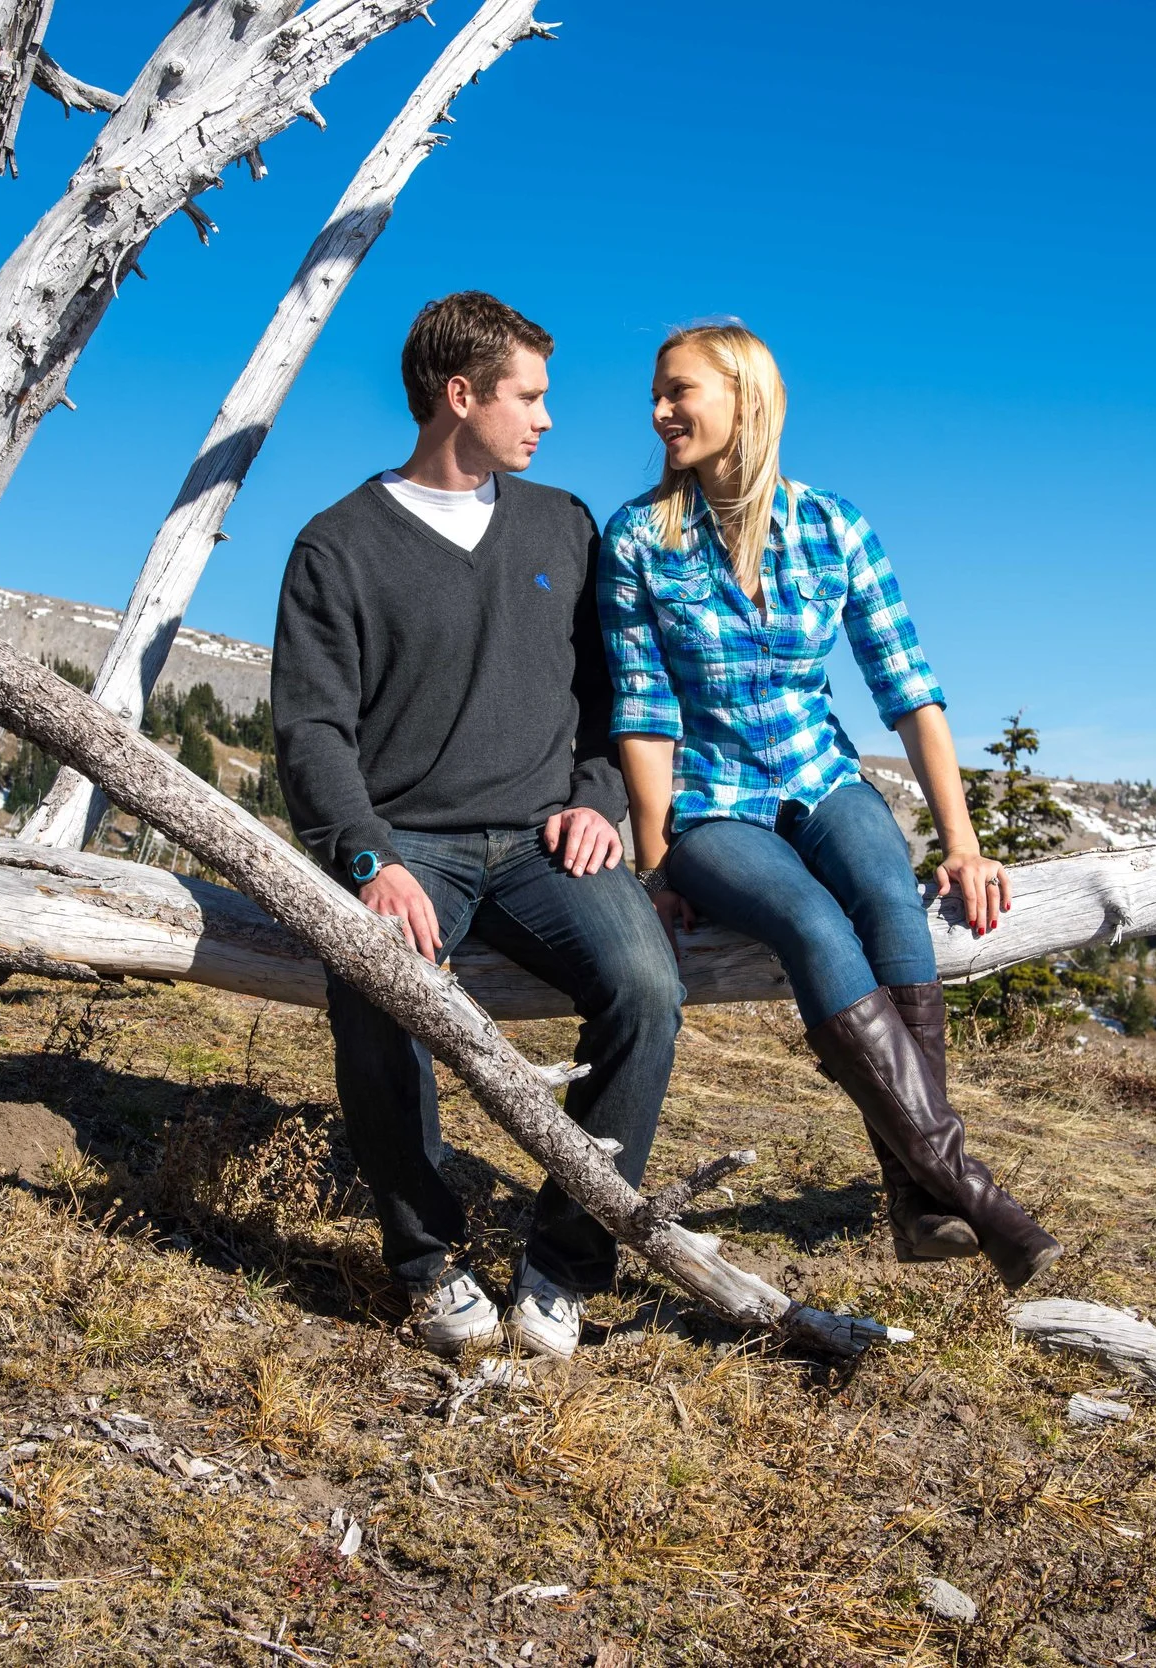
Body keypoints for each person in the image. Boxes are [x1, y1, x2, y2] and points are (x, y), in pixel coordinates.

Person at [599, 321, 1060, 1289]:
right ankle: (965, 1189)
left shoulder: (832, 526)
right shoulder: (638, 538)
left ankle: (915, 1198)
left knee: (890, 898)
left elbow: (910, 691)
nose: (660, 412)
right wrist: (655, 864)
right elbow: (643, 711)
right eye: (656, 395)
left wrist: (962, 842)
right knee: (813, 922)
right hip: (711, 805)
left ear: (744, 399)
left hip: (822, 776)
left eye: (680, 391)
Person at [272, 292, 682, 1357]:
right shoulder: (337, 546)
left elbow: (611, 696)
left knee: (648, 989)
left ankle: (564, 1263)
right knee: (377, 988)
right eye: (529, 396)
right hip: (410, 843)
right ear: (460, 395)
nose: (547, 417)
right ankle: (426, 1260)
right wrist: (369, 859)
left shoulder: (563, 524)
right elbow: (312, 732)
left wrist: (597, 800)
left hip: (549, 840)